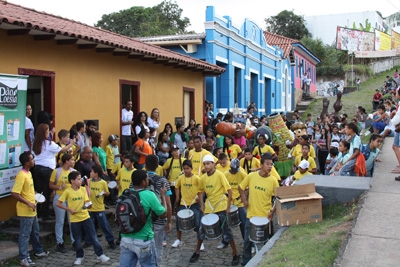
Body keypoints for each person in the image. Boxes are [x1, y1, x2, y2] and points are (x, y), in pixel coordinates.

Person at [189, 154, 240, 265]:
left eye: (208, 164)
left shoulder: (220, 175)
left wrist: (228, 206)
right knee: (201, 230)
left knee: (227, 231)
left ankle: (235, 253)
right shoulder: (203, 178)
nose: (206, 166)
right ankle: (197, 251)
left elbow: (229, 190)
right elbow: (200, 192)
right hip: (209, 207)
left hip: (221, 205)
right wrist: (201, 204)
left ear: (213, 164)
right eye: (205, 164)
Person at [56, 171, 110, 265]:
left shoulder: (83, 189)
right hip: (74, 219)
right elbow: (58, 203)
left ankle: (100, 254)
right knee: (77, 239)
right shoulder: (68, 191)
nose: (80, 181)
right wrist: (69, 209)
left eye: (80, 179)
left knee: (94, 237)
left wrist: (88, 205)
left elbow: (86, 201)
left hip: (86, 217)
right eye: (78, 179)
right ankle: (79, 256)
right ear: (72, 181)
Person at [119, 170, 167, 267]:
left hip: (126, 239)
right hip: (144, 240)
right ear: (143, 182)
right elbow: (163, 214)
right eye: (146, 178)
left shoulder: (126, 194)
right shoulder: (149, 195)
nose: (148, 180)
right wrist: (163, 196)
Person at [238, 153, 279, 266]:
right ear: (261, 165)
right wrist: (244, 200)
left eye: (271, 164)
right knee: (247, 242)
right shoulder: (251, 176)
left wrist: (273, 211)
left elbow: (278, 198)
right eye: (267, 164)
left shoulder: (273, 180)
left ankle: (267, 263)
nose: (270, 166)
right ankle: (245, 263)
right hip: (251, 216)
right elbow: (240, 187)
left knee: (268, 243)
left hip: (266, 218)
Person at [11, 152, 50, 267]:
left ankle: (38, 251)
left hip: (33, 209)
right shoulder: (21, 175)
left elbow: (28, 190)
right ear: (27, 162)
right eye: (32, 159)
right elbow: (15, 193)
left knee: (35, 231)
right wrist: (28, 203)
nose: (34, 161)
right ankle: (24, 257)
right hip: (25, 210)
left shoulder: (28, 173)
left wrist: (36, 195)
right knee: (25, 234)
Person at [32, 123, 75, 221]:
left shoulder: (35, 143)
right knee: (46, 192)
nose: (49, 133)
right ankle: (45, 215)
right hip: (47, 170)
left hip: (37, 169)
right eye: (47, 131)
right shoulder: (49, 143)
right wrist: (71, 144)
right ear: (44, 133)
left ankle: (37, 212)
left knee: (39, 191)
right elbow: (62, 150)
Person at [145, 155, 172, 266]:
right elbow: (168, 203)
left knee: (144, 247)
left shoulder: (138, 178)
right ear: (157, 166)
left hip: (143, 220)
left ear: (145, 166)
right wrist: (169, 221)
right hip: (159, 219)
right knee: (158, 247)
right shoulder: (163, 181)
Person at [172, 160, 203, 249]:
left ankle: (200, 241)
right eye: (184, 169)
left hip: (194, 203)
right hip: (183, 203)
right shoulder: (181, 178)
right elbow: (177, 187)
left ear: (191, 169)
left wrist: (199, 199)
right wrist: (177, 197)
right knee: (179, 221)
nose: (186, 170)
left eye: (188, 168)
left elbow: (201, 190)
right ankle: (178, 239)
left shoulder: (197, 178)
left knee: (197, 222)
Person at [49, 153, 76, 253]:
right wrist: (60, 187)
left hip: (71, 198)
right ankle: (59, 242)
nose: (73, 162)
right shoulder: (57, 171)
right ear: (66, 161)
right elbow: (51, 185)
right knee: (60, 221)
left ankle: (74, 241)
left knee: (72, 220)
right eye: (72, 160)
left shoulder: (74, 172)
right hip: (60, 197)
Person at [87, 165, 116, 249]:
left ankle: (110, 241)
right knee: (90, 226)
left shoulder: (103, 182)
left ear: (96, 173)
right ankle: (89, 241)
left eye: (92, 171)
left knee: (105, 225)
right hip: (90, 208)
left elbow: (108, 193)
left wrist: (104, 193)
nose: (90, 173)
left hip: (99, 208)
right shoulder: (88, 181)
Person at [224, 158, 247, 239]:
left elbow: (248, 186)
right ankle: (225, 240)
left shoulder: (242, 174)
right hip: (228, 202)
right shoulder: (225, 175)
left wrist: (243, 197)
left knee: (244, 222)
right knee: (225, 224)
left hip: (239, 202)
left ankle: (247, 241)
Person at [162, 146, 184, 210]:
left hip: (181, 183)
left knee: (180, 198)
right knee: (172, 198)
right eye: (174, 151)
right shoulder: (169, 161)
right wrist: (166, 175)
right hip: (172, 183)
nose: (176, 152)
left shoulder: (183, 160)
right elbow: (164, 168)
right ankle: (172, 213)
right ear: (172, 153)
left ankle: (178, 211)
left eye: (177, 150)